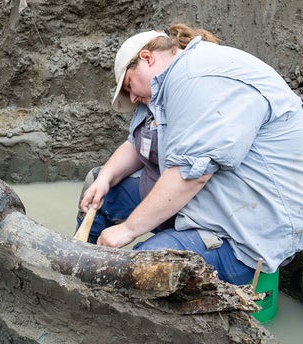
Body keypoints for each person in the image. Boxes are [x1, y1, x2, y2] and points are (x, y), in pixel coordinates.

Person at [78, 23, 303, 285]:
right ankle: (84, 278)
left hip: (242, 233)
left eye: (129, 86)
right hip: (203, 204)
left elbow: (191, 175)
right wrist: (105, 176)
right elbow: (137, 145)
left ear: (147, 58)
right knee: (100, 194)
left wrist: (126, 231)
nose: (133, 97)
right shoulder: (165, 90)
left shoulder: (196, 76)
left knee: (147, 267)